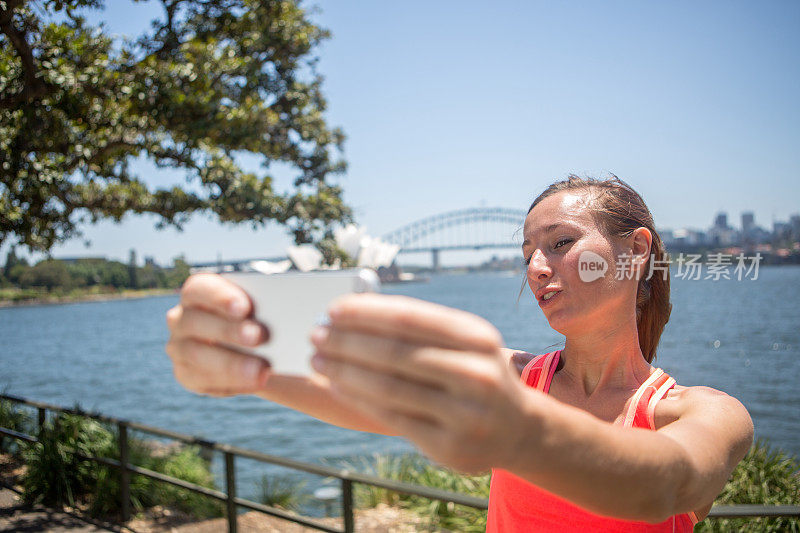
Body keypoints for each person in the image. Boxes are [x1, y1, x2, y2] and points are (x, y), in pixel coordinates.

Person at [165, 175, 754, 531]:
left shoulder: (705, 415)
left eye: (562, 243)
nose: (537, 268)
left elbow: (667, 486)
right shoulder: (516, 381)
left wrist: (517, 432)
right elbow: (362, 396)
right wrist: (246, 361)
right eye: (528, 251)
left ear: (636, 252)